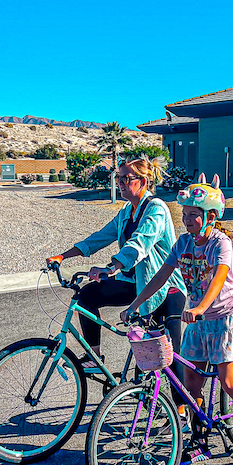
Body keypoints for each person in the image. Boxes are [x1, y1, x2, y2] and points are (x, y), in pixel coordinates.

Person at [123, 173, 233, 465]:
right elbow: (162, 276)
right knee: (191, 384)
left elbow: (219, 278)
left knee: (229, 381)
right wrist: (136, 304)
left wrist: (201, 307)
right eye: (185, 214)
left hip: (225, 317)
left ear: (211, 217)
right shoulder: (183, 243)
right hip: (198, 319)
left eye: (193, 214)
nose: (187, 219)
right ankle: (200, 439)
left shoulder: (222, 243)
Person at [46, 155, 186, 371]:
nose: (120, 183)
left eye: (126, 179)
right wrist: (63, 256)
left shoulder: (156, 208)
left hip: (163, 288)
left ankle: (182, 405)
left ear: (144, 182)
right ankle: (94, 356)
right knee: (87, 296)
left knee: (167, 359)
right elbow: (100, 237)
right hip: (134, 284)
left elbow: (140, 244)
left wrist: (111, 268)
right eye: (118, 179)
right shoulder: (126, 212)